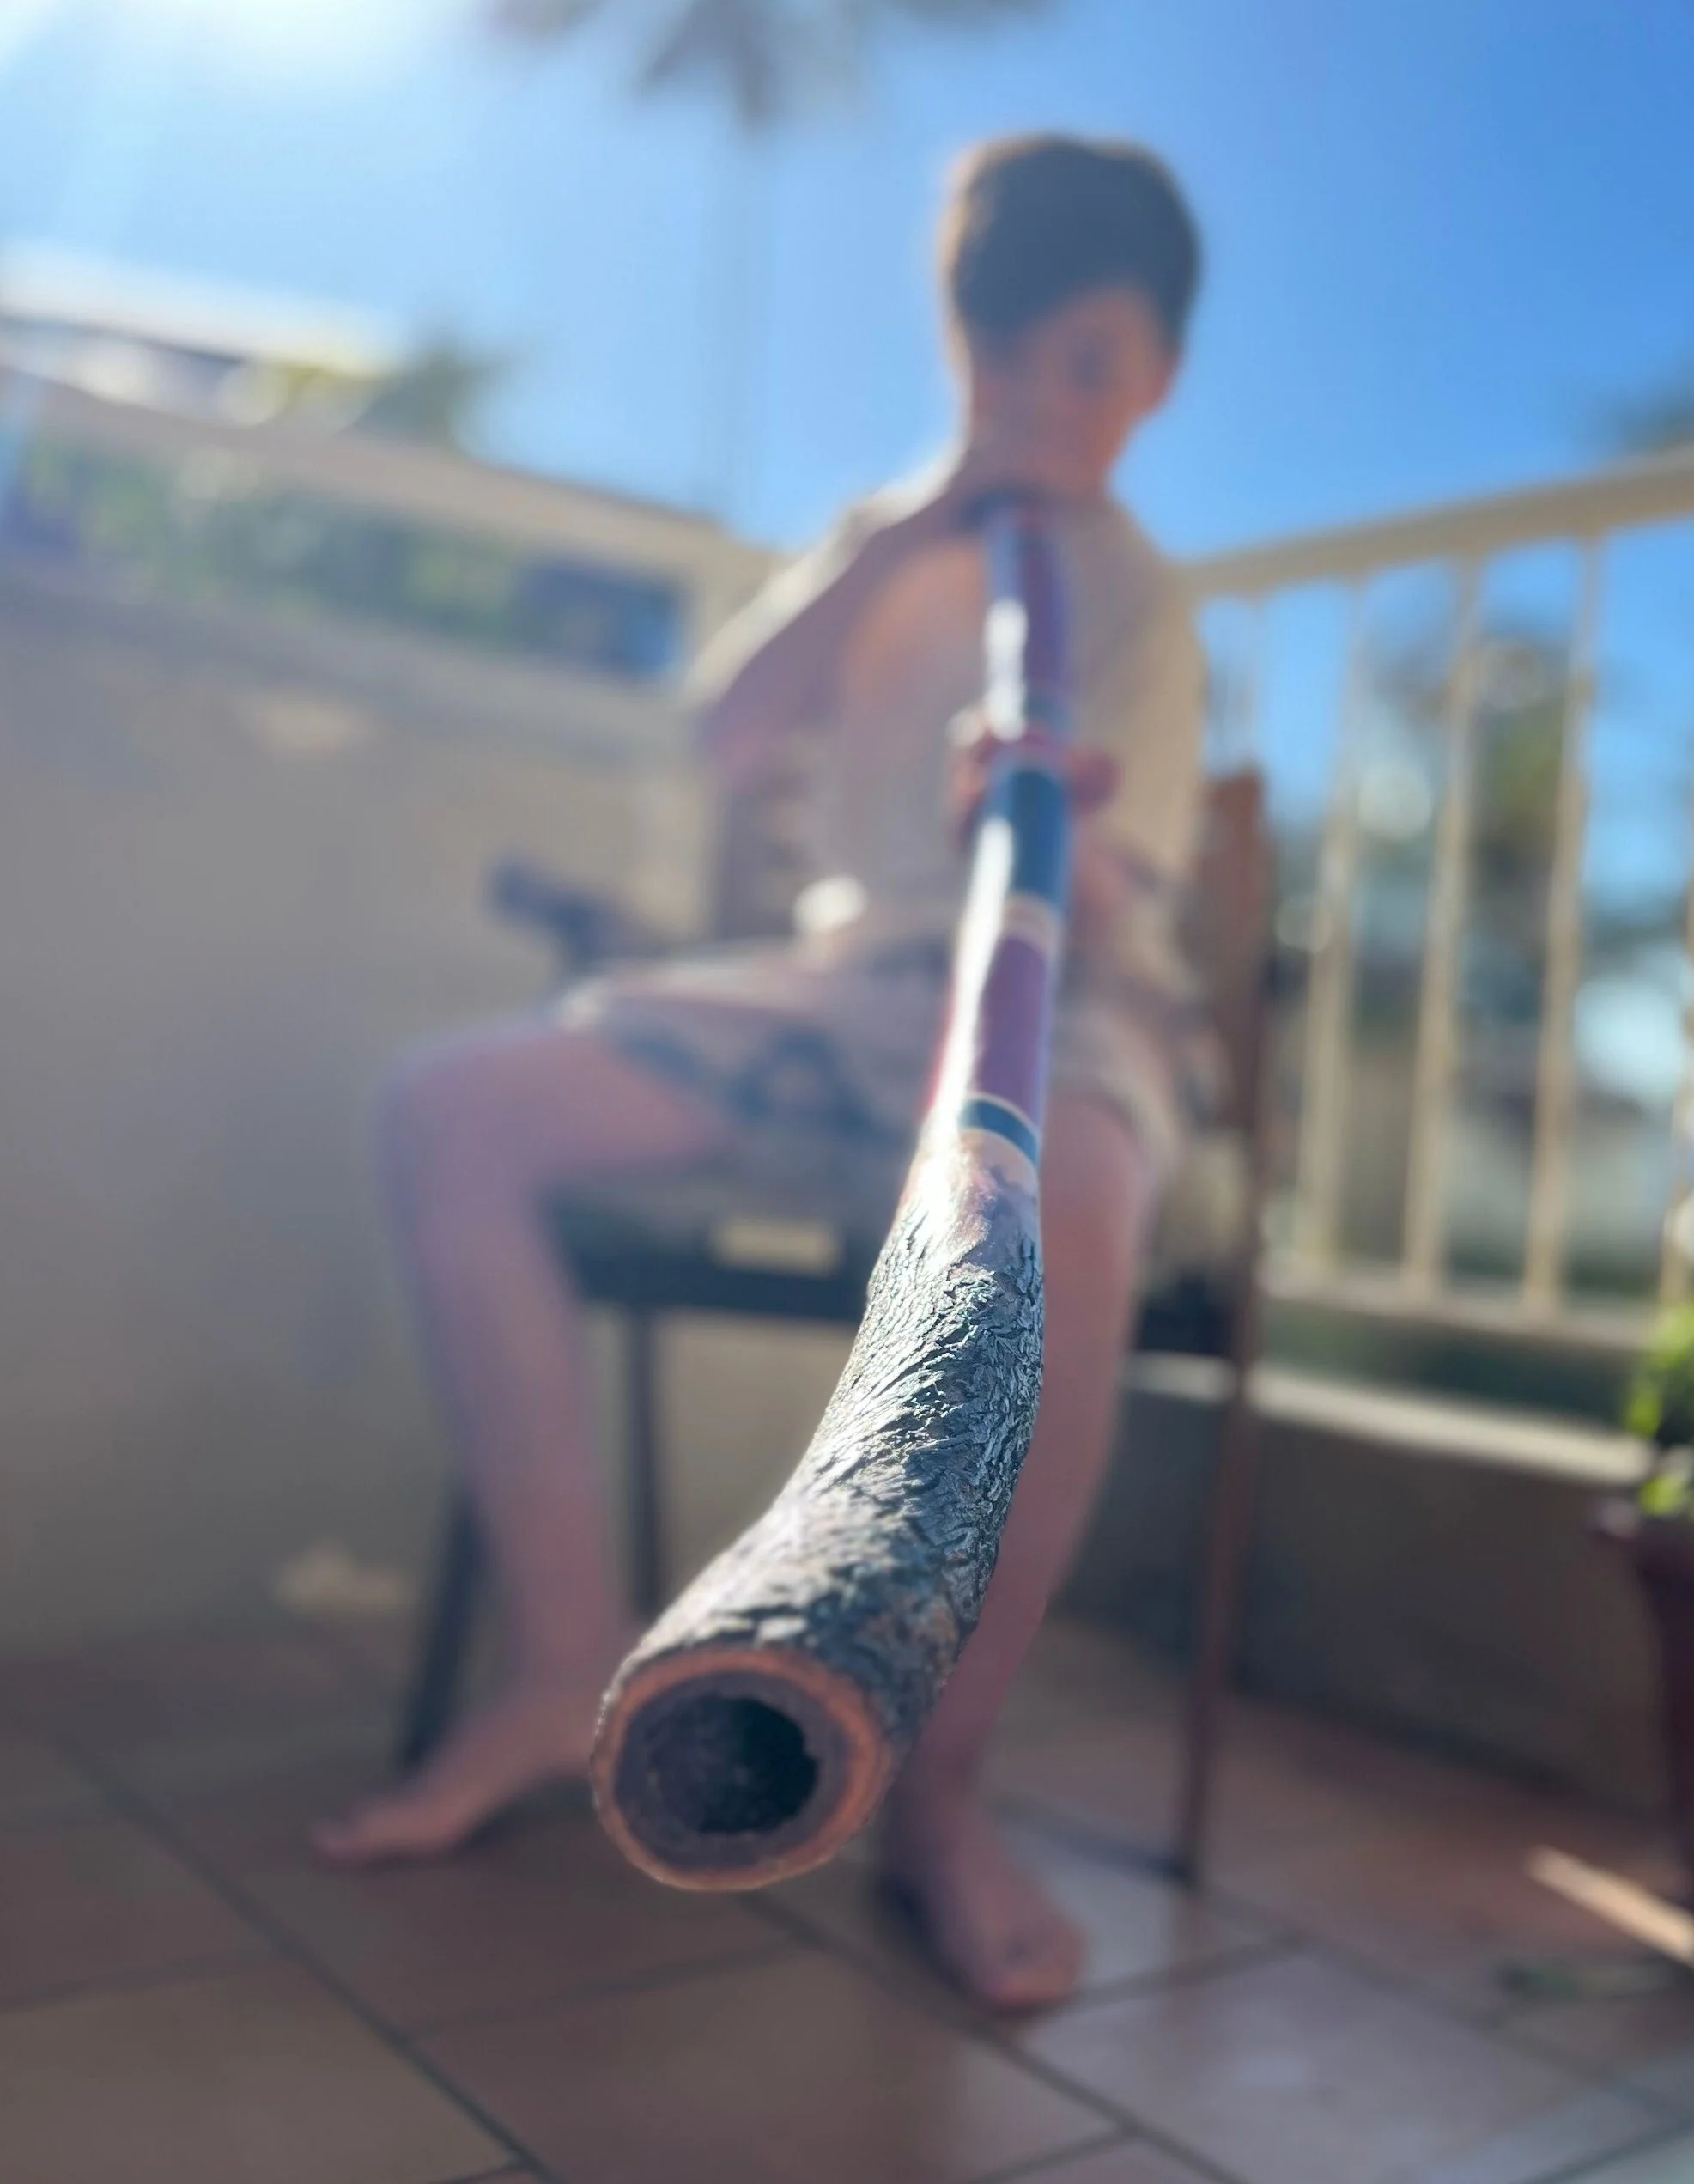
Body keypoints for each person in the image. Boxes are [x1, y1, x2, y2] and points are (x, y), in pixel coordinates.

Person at [314, 133, 1209, 2011]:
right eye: (1006, 354)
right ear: (952, 341)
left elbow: (1115, 894)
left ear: (1154, 384)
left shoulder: (1132, 597)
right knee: (450, 1107)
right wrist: (912, 528)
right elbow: (727, 733)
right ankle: (565, 1662)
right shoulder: (878, 546)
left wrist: (1048, 816)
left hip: (1042, 1005)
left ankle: (930, 1784)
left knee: (1087, 1215)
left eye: (1091, 367)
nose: (1041, 403)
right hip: (827, 999)